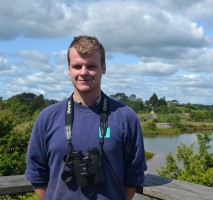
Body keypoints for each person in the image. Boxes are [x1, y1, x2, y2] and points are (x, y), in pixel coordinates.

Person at [26, 35, 147, 200]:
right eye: (77, 66)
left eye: (91, 66)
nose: (83, 72)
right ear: (68, 69)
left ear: (103, 67)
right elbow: (36, 173)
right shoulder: (47, 118)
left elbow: (134, 174)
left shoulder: (126, 117)